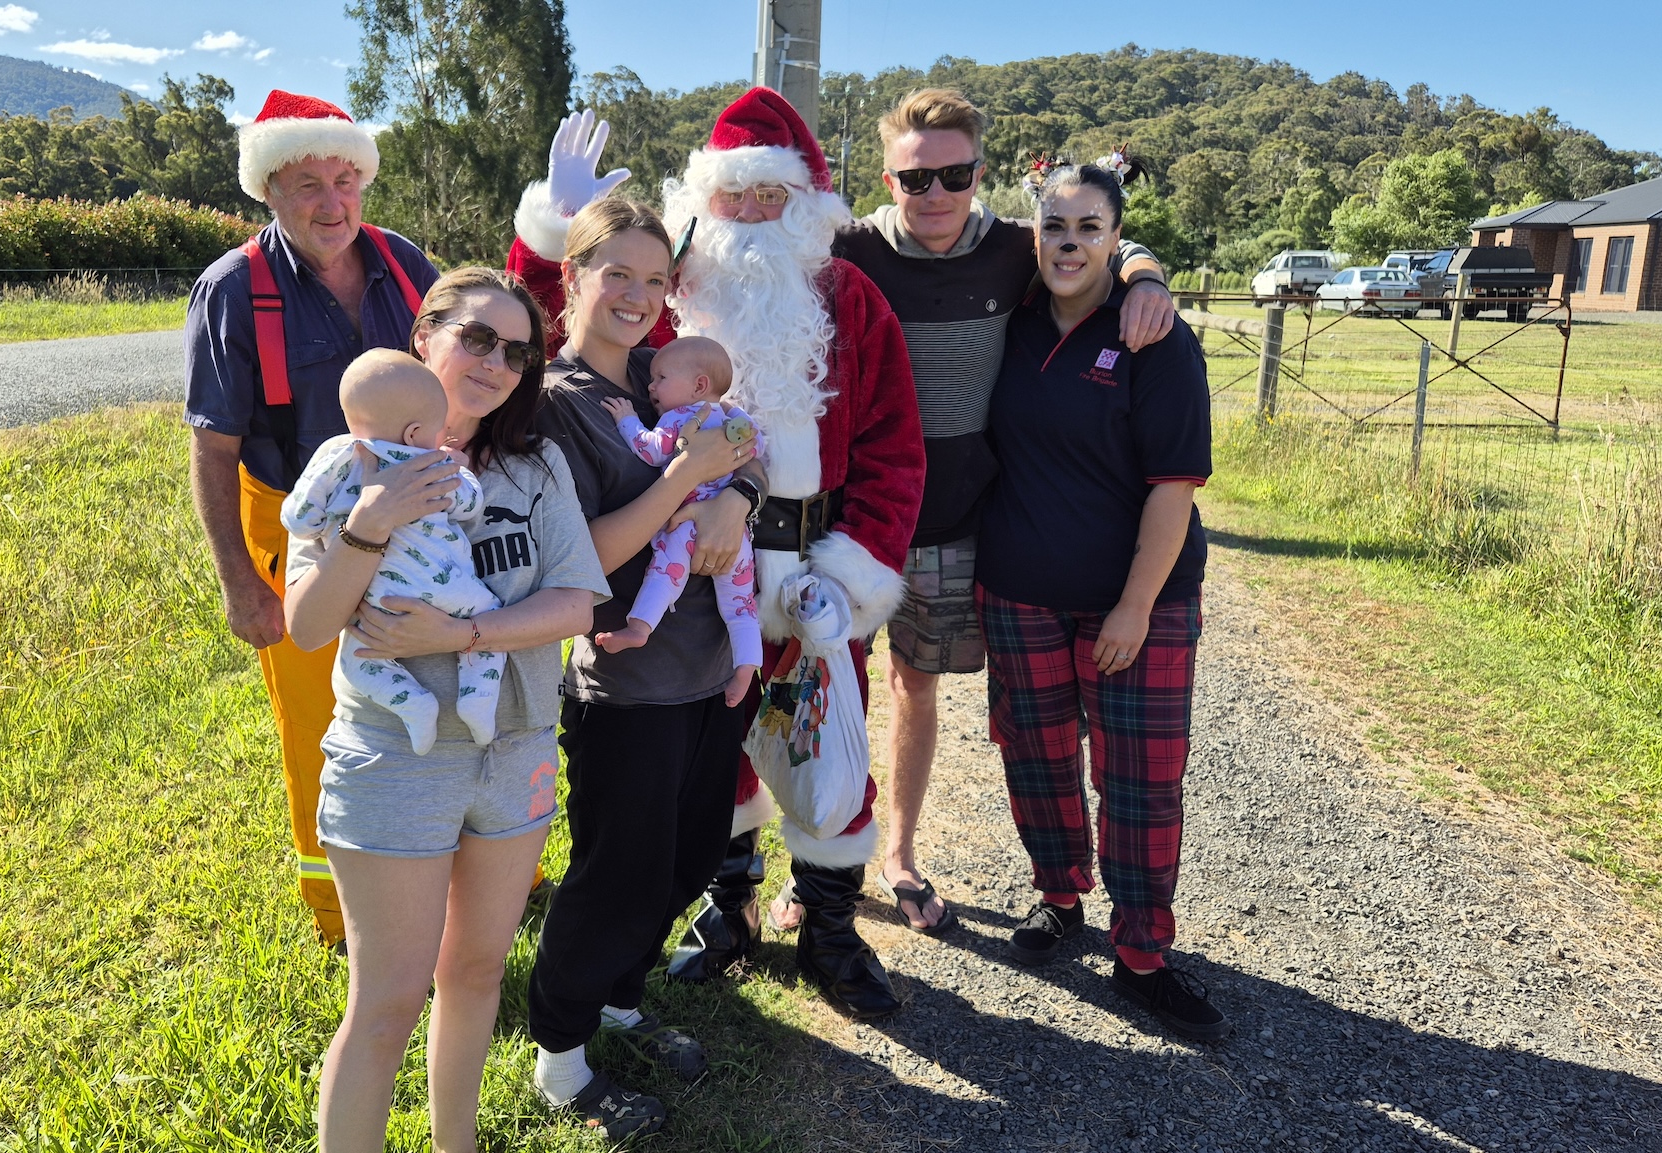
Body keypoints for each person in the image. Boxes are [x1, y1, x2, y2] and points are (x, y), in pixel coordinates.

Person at [512, 93, 926, 1024]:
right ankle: (727, 906)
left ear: (805, 204)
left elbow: (896, 446)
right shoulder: (669, 290)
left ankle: (830, 929)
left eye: (769, 197)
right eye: (733, 197)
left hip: (816, 570)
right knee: (713, 753)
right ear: (706, 198)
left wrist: (855, 570)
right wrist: (553, 223)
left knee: (825, 745)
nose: (749, 215)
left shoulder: (850, 298)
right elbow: (550, 320)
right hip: (686, 571)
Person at [829, 87, 1176, 936]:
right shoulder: (850, 248)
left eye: (955, 175)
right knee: (829, 687)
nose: (936, 194)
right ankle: (823, 862)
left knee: (914, 687)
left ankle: (898, 853)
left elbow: (1099, 237)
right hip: (850, 520)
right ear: (888, 180)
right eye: (916, 179)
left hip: (954, 522)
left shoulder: (1014, 248)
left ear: (980, 174)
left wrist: (1147, 275)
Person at [284, 266, 611, 1150]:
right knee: (387, 1002)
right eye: (477, 337)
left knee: (475, 974)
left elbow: (578, 603)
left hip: (515, 750)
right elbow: (306, 625)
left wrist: (462, 635)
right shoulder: (348, 462)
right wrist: (372, 522)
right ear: (424, 337)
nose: (496, 362)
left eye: (518, 351)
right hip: (395, 756)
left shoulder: (535, 466)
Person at [520, 195, 761, 1139]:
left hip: (710, 666)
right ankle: (561, 1058)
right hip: (628, 682)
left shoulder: (666, 373)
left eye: (655, 279)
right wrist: (684, 482)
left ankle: (621, 1000)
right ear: (573, 275)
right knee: (616, 871)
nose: (637, 294)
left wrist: (737, 496)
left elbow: (742, 443)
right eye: (615, 272)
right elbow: (580, 555)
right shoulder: (557, 401)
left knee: (689, 856)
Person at [975, 163, 1228, 1041]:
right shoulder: (1010, 318)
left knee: (1140, 778)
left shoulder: (1153, 335)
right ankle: (1059, 895)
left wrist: (1133, 606)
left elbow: (1174, 486)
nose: (1070, 243)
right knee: (1035, 755)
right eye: (1055, 225)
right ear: (1034, 233)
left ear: (1116, 238)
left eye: (1090, 227)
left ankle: (1143, 951)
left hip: (1136, 602)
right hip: (1020, 592)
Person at [184, 89, 440, 948]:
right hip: (296, 525)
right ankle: (342, 914)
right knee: (321, 725)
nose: (333, 204)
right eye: (307, 186)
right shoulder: (232, 290)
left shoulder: (407, 265)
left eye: (345, 180)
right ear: (269, 190)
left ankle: (472, 868)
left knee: (436, 684)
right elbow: (212, 450)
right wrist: (239, 585)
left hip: (416, 518)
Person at [280, 350, 501, 755]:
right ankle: (478, 698)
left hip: (370, 601)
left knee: (358, 661)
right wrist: (459, 469)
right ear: (415, 433)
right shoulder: (431, 463)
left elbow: (297, 519)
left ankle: (414, 705)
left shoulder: (336, 459)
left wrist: (334, 516)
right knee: (488, 616)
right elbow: (470, 505)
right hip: (443, 586)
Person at [594, 335, 764, 708]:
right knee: (741, 606)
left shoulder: (679, 417)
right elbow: (757, 446)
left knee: (663, 574)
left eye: (661, 378)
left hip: (687, 526)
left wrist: (627, 419)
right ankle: (746, 667)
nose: (651, 386)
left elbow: (651, 450)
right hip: (735, 534)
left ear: (699, 386)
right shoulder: (732, 418)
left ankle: (639, 627)